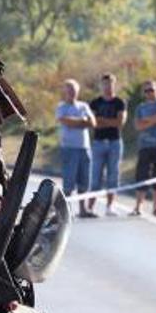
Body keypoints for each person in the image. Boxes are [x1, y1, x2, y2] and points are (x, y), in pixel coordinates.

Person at [55, 79, 96, 218]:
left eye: (74, 89)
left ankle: (83, 210)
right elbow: (65, 121)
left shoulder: (83, 106)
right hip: (69, 148)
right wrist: (82, 121)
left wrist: (77, 121)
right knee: (69, 182)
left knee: (84, 181)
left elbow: (92, 122)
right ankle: (66, 211)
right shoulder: (61, 107)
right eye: (69, 89)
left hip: (84, 148)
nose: (72, 92)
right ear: (65, 91)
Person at [88, 73, 127, 216]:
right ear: (101, 85)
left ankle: (110, 206)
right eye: (105, 84)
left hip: (115, 142)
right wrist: (106, 121)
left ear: (114, 84)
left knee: (113, 175)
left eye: (110, 84)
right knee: (95, 175)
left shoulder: (119, 102)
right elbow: (92, 123)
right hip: (98, 142)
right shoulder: (95, 102)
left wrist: (101, 120)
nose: (107, 87)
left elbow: (119, 123)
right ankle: (90, 207)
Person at [131, 80, 156, 216]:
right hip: (144, 145)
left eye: (151, 90)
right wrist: (153, 120)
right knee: (141, 175)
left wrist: (146, 121)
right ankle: (138, 206)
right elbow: (137, 126)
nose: (149, 93)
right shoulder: (140, 107)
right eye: (146, 91)